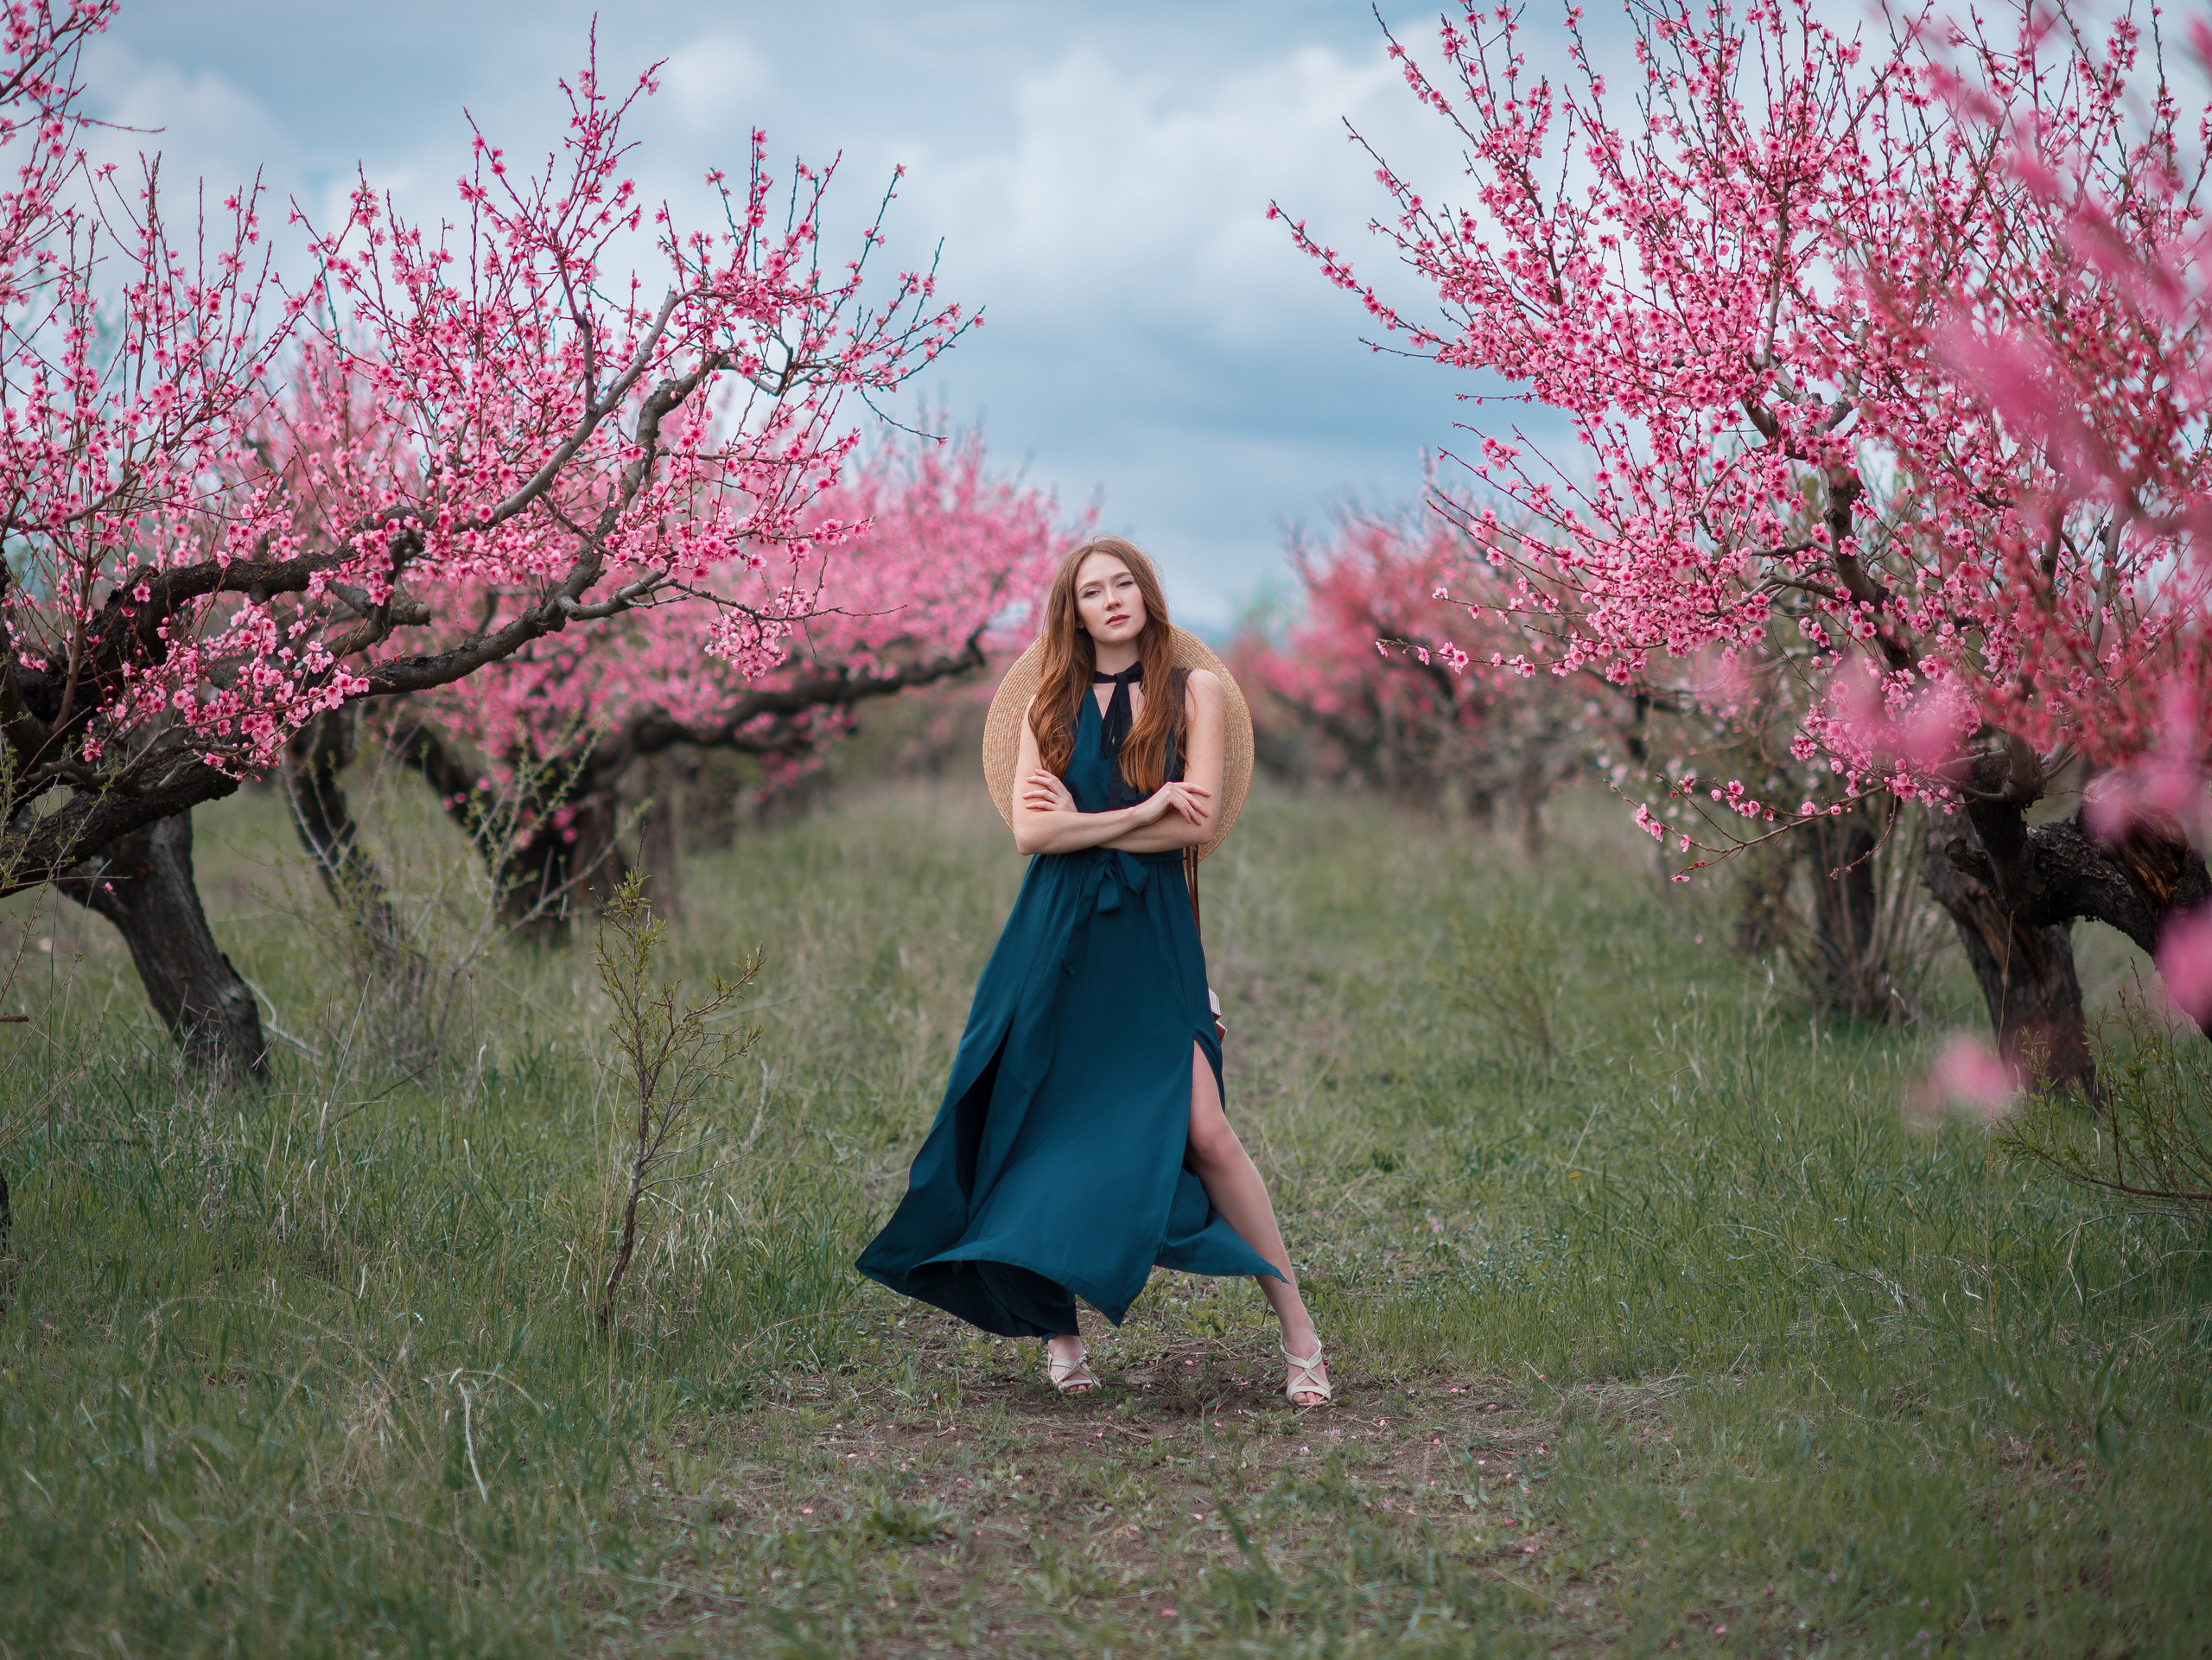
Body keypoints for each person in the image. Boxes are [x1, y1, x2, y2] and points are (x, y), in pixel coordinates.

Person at [856, 535, 1332, 1404]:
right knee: (1036, 1125)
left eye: (1124, 584)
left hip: (1152, 939)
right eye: (1091, 591)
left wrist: (1100, 817)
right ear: (1071, 611)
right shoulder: (1051, 696)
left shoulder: (1198, 693)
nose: (1111, 599)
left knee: (1207, 1129)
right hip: (1050, 936)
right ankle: (1059, 1337)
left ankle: (1300, 1333)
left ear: (1147, 593)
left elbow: (1193, 826)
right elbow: (1033, 836)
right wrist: (1144, 806)